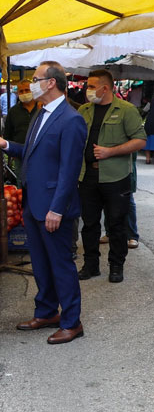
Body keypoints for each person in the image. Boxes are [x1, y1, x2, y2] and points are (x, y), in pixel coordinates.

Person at [0, 61, 87, 344]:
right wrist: (4, 145)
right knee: (41, 264)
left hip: (54, 207)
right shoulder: (40, 114)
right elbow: (30, 153)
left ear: (51, 83)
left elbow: (69, 170)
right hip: (32, 201)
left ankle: (71, 322)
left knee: (61, 265)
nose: (31, 84)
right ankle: (46, 312)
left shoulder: (71, 119)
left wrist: (57, 208)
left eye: (36, 78)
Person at [76, 69, 146, 283]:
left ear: (104, 88)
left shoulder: (126, 110)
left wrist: (110, 151)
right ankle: (91, 265)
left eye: (90, 86)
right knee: (89, 224)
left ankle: (116, 266)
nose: (87, 90)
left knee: (116, 224)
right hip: (87, 176)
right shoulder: (84, 110)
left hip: (116, 177)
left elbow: (140, 141)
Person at [4, 79, 40, 185]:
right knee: (22, 183)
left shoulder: (42, 108)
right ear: (17, 93)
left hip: (41, 153)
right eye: (21, 91)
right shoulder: (13, 111)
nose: (24, 93)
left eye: (27, 90)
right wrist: (11, 153)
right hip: (20, 155)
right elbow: (8, 134)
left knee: (39, 182)